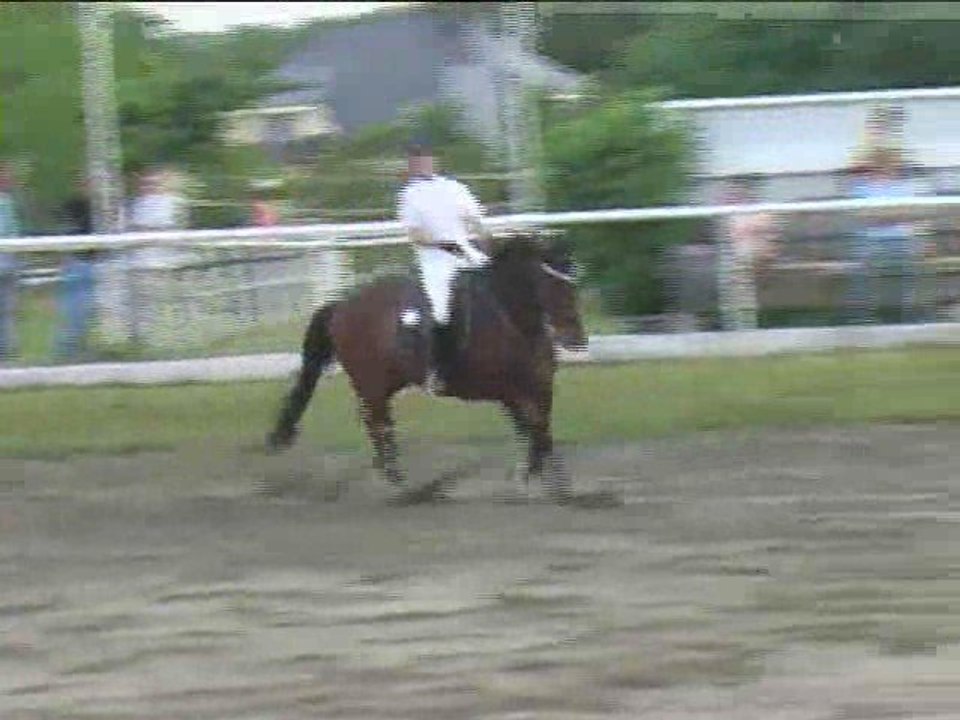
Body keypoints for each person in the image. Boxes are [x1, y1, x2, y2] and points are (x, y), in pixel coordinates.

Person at [396, 141, 491, 395]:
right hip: (435, 259)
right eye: (417, 160)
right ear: (411, 165)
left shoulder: (455, 188)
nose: (423, 163)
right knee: (439, 311)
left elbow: (475, 220)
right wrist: (441, 244)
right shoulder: (409, 195)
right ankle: (436, 368)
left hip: (466, 252)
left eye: (426, 158)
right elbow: (415, 234)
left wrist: (485, 243)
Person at [716, 175, 780, 331]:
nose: (733, 195)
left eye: (738, 191)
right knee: (732, 274)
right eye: (731, 191)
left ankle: (745, 326)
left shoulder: (762, 213)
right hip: (738, 261)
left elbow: (769, 239)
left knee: (739, 272)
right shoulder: (730, 216)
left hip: (757, 260)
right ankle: (735, 325)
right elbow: (728, 238)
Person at [0, 163, 22, 364]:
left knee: (9, 309)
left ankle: (8, 351)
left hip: (10, 262)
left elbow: (14, 232)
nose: (9, 181)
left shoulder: (9, 202)